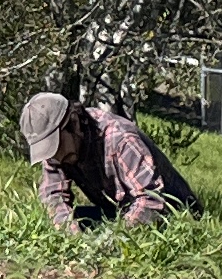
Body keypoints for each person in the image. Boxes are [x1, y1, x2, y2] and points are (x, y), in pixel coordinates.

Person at [19, 90, 199, 234]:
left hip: (170, 214)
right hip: (119, 211)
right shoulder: (59, 152)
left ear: (74, 122)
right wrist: (72, 236)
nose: (56, 157)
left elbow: (151, 200)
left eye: (56, 146)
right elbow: (53, 197)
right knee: (74, 218)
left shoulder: (120, 139)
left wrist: (111, 241)